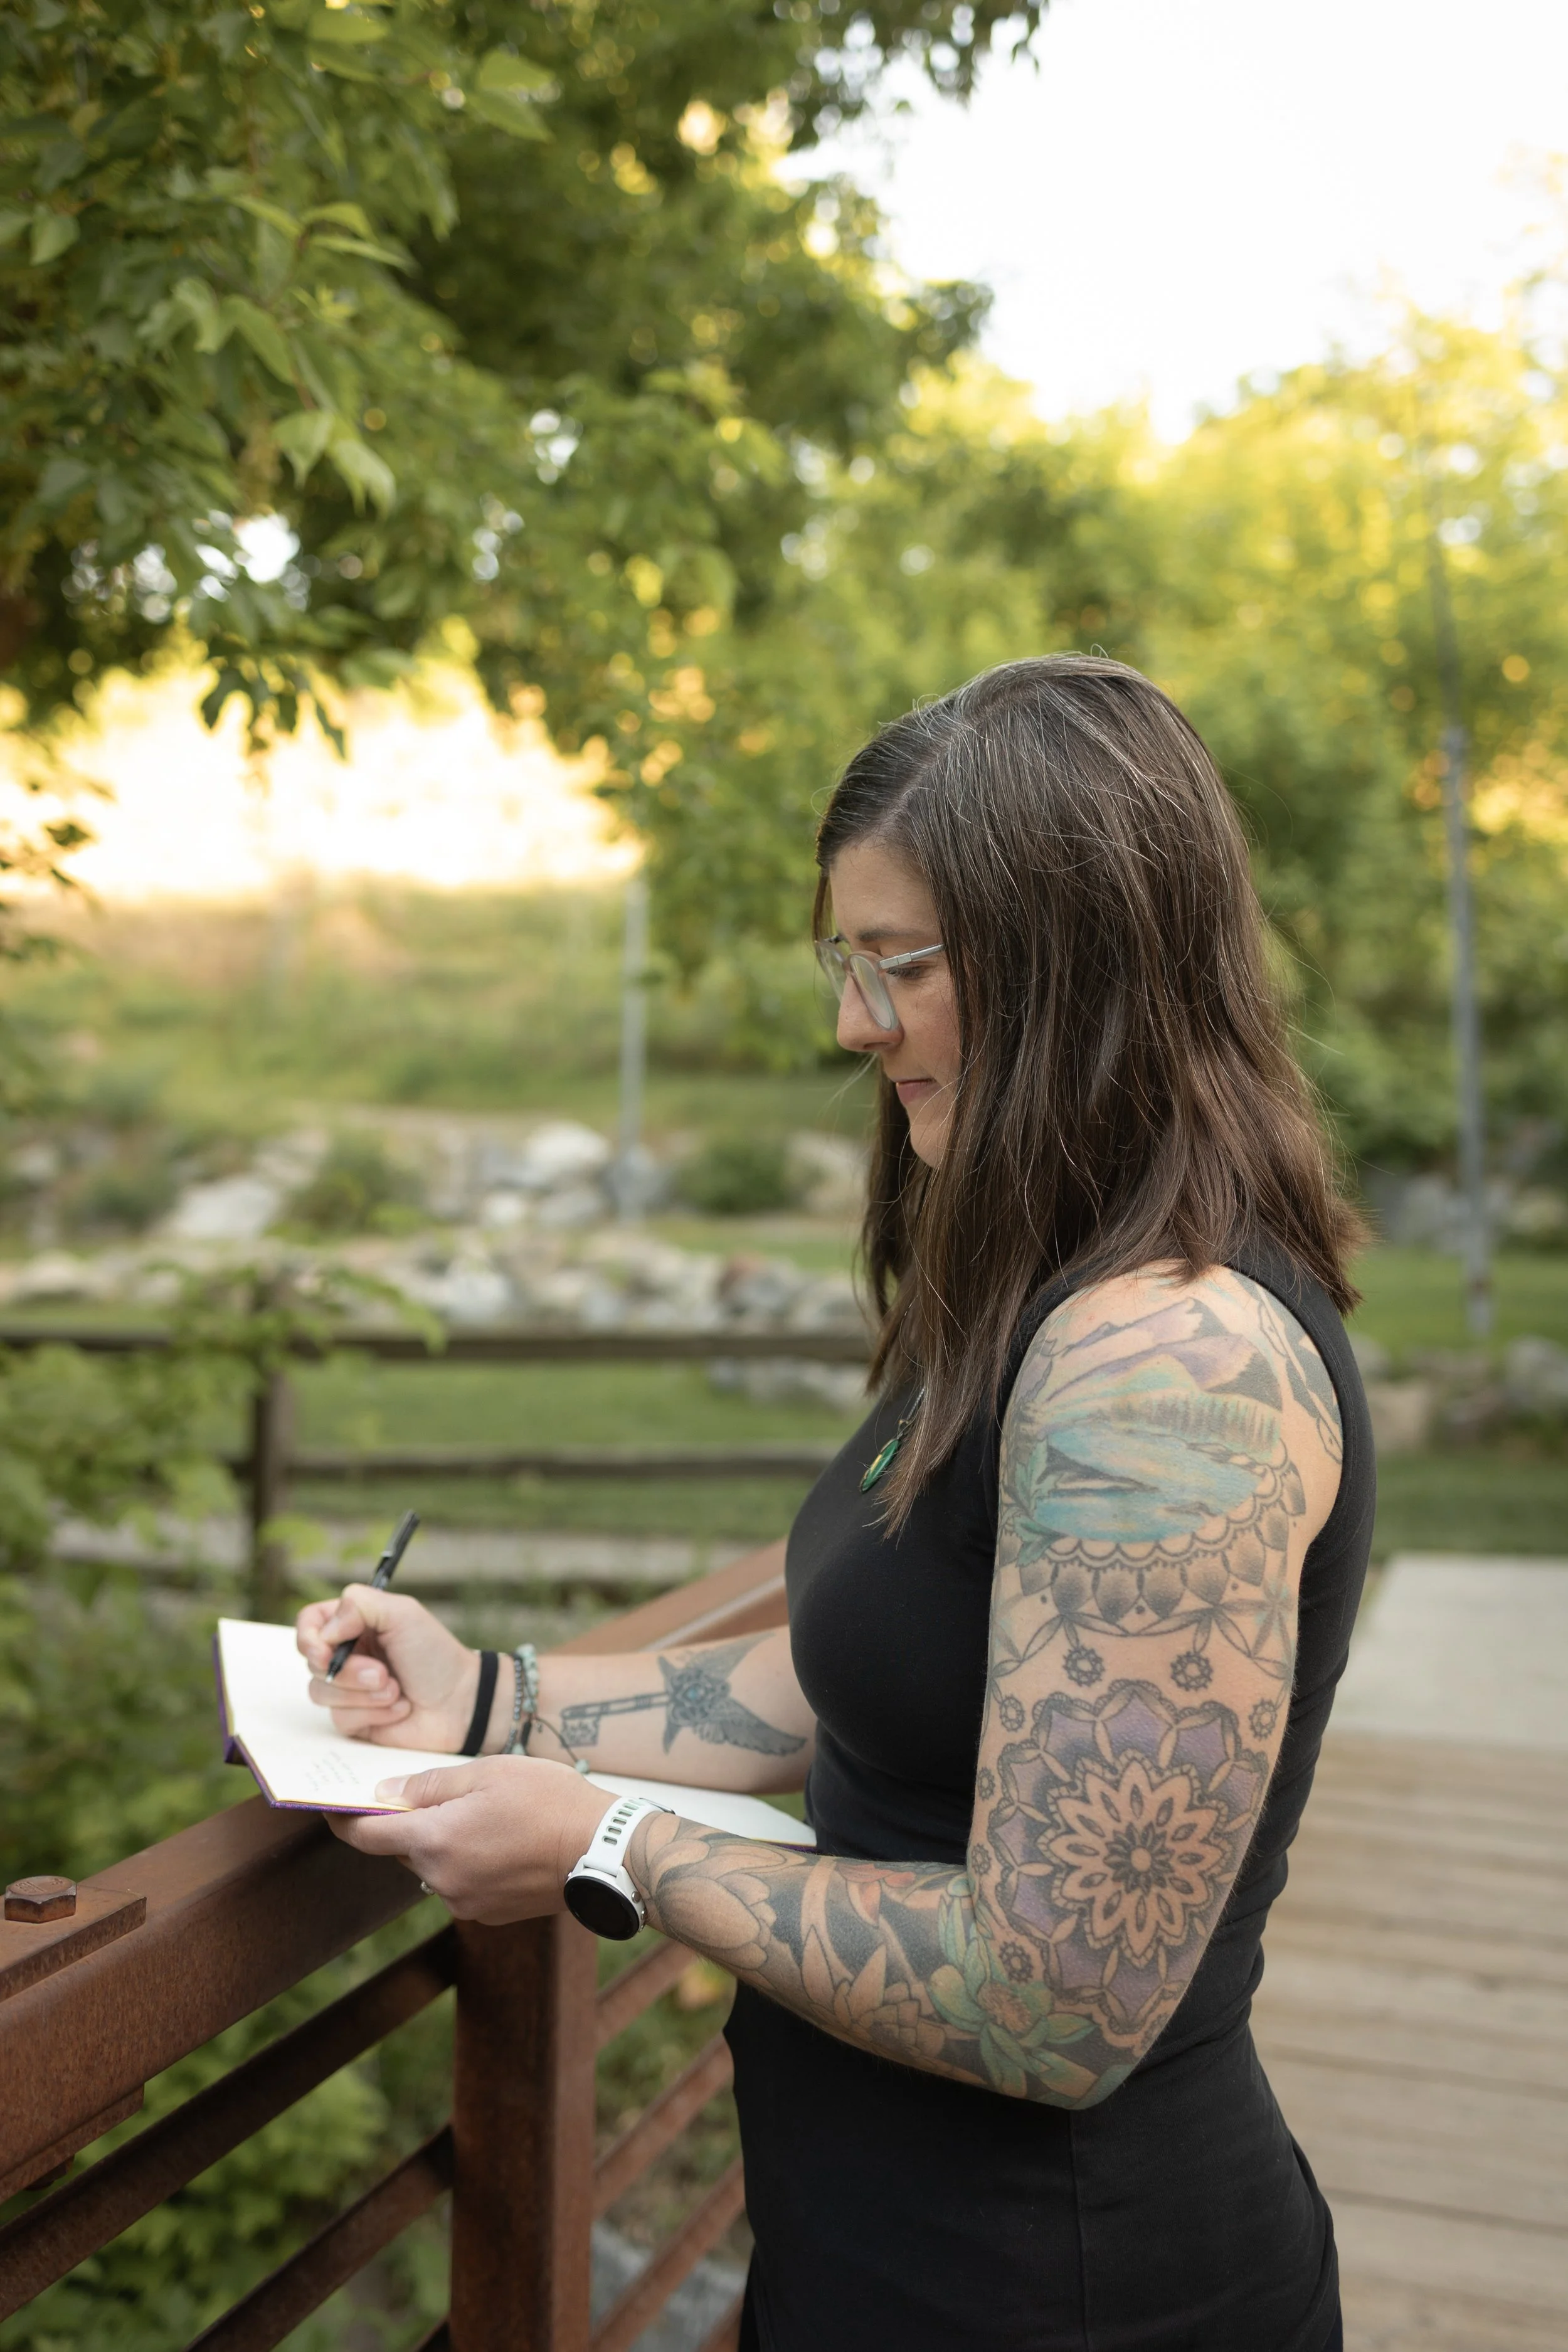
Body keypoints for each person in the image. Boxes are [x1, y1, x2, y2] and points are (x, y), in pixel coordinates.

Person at [302, 655, 1370, 2352]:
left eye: (902, 968)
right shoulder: (1040, 1293)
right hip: (884, 2253)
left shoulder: (1166, 1368)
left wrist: (600, 1841)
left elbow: (1052, 1999)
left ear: (1066, 967)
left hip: (1067, 2289)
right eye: (844, 961)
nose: (851, 1023)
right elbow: (866, 1677)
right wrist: (493, 1693)